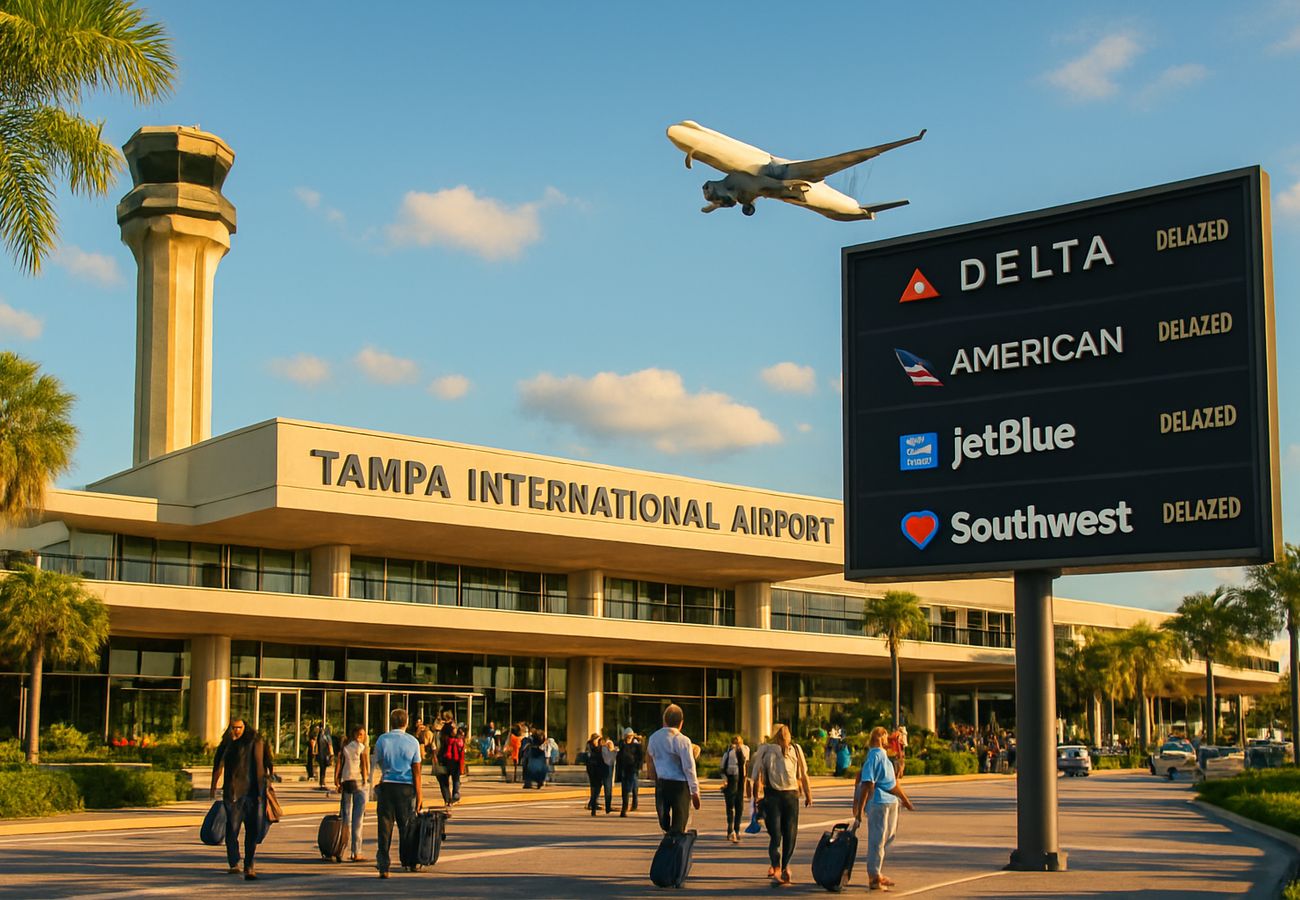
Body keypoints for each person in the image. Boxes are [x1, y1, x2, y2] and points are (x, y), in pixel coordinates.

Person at [208, 717, 274, 881]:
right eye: (233, 728)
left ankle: (249, 865)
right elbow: (218, 765)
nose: (235, 731)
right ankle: (234, 862)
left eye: (238, 728)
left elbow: (267, 762)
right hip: (233, 794)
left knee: (252, 830)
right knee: (232, 828)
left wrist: (268, 783)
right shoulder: (228, 744)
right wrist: (213, 786)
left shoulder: (256, 741)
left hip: (253, 793)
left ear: (245, 728)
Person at [853, 726, 915, 892]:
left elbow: (893, 782)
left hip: (890, 802)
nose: (888, 741)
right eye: (886, 737)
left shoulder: (883, 756)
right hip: (879, 803)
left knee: (888, 837)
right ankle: (874, 876)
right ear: (880, 738)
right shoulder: (874, 756)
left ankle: (876, 871)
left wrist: (904, 799)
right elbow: (867, 783)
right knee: (877, 840)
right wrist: (859, 809)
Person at [749, 724, 811, 886]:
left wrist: (808, 794)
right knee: (776, 835)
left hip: (791, 796)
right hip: (772, 797)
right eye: (782, 735)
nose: (785, 737)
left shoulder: (796, 749)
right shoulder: (766, 750)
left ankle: (784, 867)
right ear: (776, 736)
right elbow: (756, 775)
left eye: (787, 734)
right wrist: (755, 797)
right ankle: (776, 866)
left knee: (790, 834)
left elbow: (803, 773)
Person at [372, 708, 423, 879]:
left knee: (384, 827)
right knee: (406, 827)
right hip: (406, 788)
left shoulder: (382, 739)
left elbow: (377, 761)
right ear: (406, 723)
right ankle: (407, 861)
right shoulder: (413, 742)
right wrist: (420, 796)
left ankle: (384, 865)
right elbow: (417, 771)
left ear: (391, 722)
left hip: (387, 787)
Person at [645, 704, 700, 835]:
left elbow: (650, 758)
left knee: (664, 820)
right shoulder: (683, 740)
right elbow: (689, 767)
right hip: (680, 786)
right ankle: (676, 846)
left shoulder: (654, 738)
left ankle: (668, 836)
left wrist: (652, 774)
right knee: (679, 824)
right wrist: (695, 791)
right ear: (681, 723)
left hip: (662, 783)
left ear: (664, 720)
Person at [333, 724, 371, 862]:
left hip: (346, 783)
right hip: (358, 783)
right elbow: (365, 765)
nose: (363, 737)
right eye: (362, 734)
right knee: (358, 819)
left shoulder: (345, 748)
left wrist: (337, 781)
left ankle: (340, 849)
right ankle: (356, 852)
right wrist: (366, 781)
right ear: (357, 735)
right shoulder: (361, 748)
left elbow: (339, 764)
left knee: (345, 818)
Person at [720, 734, 750, 842]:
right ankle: (732, 830)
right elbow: (723, 769)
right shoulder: (729, 753)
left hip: (738, 780)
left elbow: (746, 763)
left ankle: (735, 830)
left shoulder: (743, 750)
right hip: (734, 780)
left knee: (737, 806)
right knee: (733, 806)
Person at [615, 728, 644, 816]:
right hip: (624, 770)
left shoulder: (637, 746)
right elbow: (618, 758)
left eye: (630, 736)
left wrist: (638, 767)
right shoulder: (621, 745)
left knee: (634, 788)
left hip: (633, 769)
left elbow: (641, 757)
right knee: (625, 790)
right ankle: (624, 809)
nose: (628, 738)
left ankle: (634, 804)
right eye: (627, 737)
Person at [436, 720, 464, 806]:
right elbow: (462, 751)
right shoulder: (458, 739)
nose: (456, 730)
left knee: (444, 782)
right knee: (456, 779)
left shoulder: (441, 738)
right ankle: (455, 794)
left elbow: (436, 748)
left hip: (443, 761)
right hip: (455, 762)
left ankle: (447, 799)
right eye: (454, 728)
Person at [585, 732, 612, 814]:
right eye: (596, 739)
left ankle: (606, 807)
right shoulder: (590, 748)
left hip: (601, 770)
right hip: (593, 771)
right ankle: (593, 807)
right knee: (595, 789)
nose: (597, 741)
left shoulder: (601, 747)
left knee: (604, 789)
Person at [317, 722, 335, 788]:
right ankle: (322, 782)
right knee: (323, 769)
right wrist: (332, 754)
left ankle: (322, 782)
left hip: (320, 754)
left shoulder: (319, 735)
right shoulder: (327, 735)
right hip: (325, 754)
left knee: (322, 769)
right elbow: (330, 745)